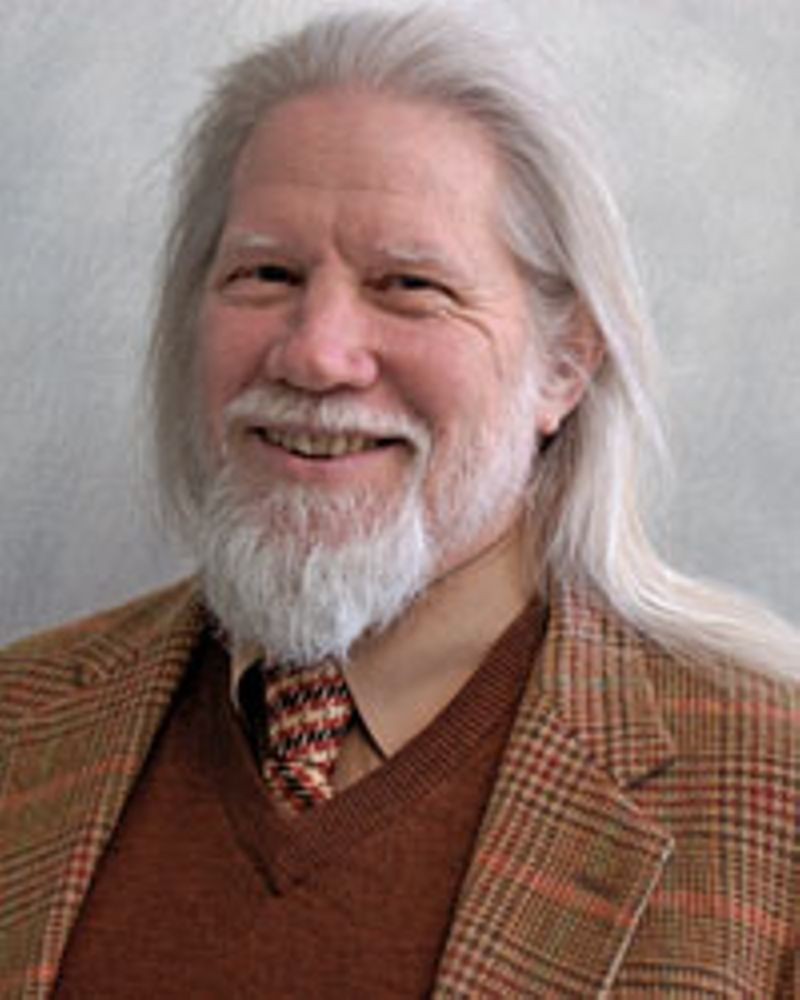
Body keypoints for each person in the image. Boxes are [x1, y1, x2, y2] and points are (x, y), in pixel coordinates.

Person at [1, 7, 797, 997]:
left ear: (563, 365)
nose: (315, 354)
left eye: (409, 285)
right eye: (266, 273)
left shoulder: (770, 795)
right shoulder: (20, 721)